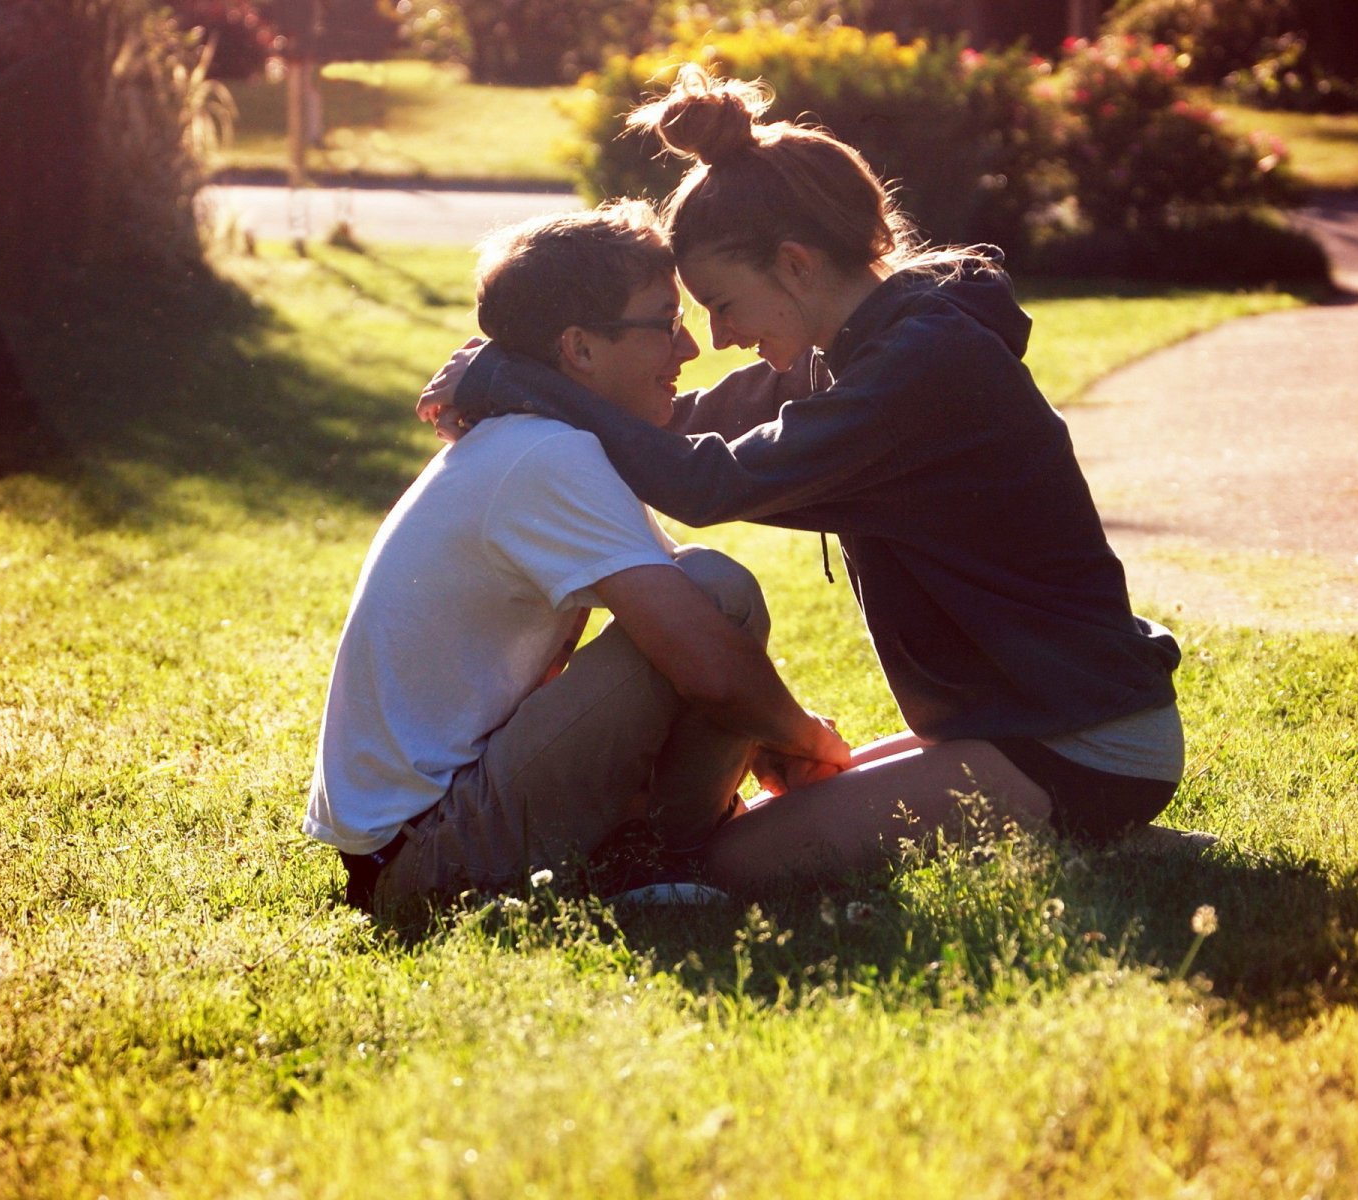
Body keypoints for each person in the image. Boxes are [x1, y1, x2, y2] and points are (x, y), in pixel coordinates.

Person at [426, 67, 1192, 892]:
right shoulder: (860, 349)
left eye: (722, 304)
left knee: (737, 861)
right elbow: (673, 428)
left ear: (793, 264)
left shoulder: (923, 367)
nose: (718, 339)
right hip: (1018, 723)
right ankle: (1084, 826)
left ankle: (1093, 821)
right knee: (782, 814)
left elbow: (705, 483)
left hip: (1084, 739)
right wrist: (548, 371)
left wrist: (517, 382)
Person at [304, 200, 851, 912]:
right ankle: (654, 863)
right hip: (424, 860)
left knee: (703, 594)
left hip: (416, 841)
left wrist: (766, 739)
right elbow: (708, 662)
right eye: (666, 324)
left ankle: (649, 854)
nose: (689, 351)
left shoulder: (541, 442)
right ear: (581, 350)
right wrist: (807, 738)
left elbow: (690, 650)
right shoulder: (546, 454)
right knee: (718, 592)